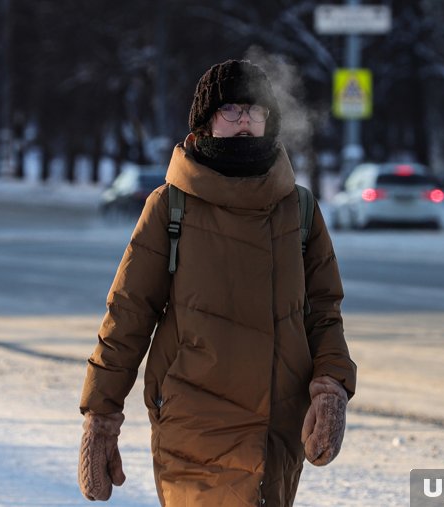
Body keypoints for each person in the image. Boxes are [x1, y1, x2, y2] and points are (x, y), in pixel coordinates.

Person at [78, 59, 357, 506]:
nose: (244, 119)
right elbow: (128, 315)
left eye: (254, 109)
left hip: (277, 425)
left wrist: (331, 387)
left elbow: (324, 313)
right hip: (193, 421)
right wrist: (101, 415)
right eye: (231, 109)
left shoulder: (298, 209)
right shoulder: (170, 205)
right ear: (207, 121)